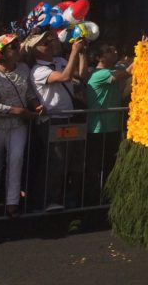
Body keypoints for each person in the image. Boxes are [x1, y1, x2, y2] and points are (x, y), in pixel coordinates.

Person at [26, 30, 86, 210]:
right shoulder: (38, 70)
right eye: (45, 43)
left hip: (67, 117)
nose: (50, 44)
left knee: (67, 160)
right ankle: (47, 199)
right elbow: (65, 77)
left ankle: (58, 196)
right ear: (35, 50)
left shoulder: (59, 61)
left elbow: (80, 77)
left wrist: (82, 54)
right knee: (56, 161)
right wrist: (74, 51)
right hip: (52, 119)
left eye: (50, 41)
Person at [0, 33, 43, 217]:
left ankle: (12, 202)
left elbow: (27, 93)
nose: (18, 49)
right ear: (2, 54)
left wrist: (35, 104)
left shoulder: (23, 69)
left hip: (19, 124)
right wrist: (16, 110)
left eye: (17, 45)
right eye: (13, 47)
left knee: (16, 159)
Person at [83, 43, 133, 206]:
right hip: (99, 129)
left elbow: (124, 65)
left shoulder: (111, 68)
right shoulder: (100, 74)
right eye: (109, 51)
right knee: (97, 169)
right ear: (99, 57)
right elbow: (125, 73)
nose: (115, 51)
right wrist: (143, 53)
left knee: (109, 167)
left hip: (111, 127)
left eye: (114, 49)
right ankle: (93, 202)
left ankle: (106, 201)